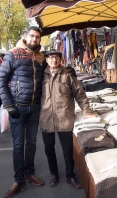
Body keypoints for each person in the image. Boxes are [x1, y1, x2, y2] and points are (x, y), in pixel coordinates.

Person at [0, 26, 47, 198]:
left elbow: (48, 77)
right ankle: (18, 180)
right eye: (32, 36)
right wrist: (8, 104)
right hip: (17, 107)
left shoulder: (41, 57)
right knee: (18, 145)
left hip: (34, 107)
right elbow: (1, 79)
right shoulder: (13, 53)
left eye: (37, 37)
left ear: (40, 39)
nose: (34, 39)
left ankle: (29, 173)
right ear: (26, 37)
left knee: (32, 142)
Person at [40, 49, 95, 189]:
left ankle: (70, 175)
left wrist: (87, 111)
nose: (54, 60)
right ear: (46, 60)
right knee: (49, 149)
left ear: (61, 59)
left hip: (64, 118)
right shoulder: (41, 75)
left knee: (67, 149)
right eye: (51, 58)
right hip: (46, 118)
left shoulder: (68, 75)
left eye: (57, 58)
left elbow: (80, 95)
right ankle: (54, 174)